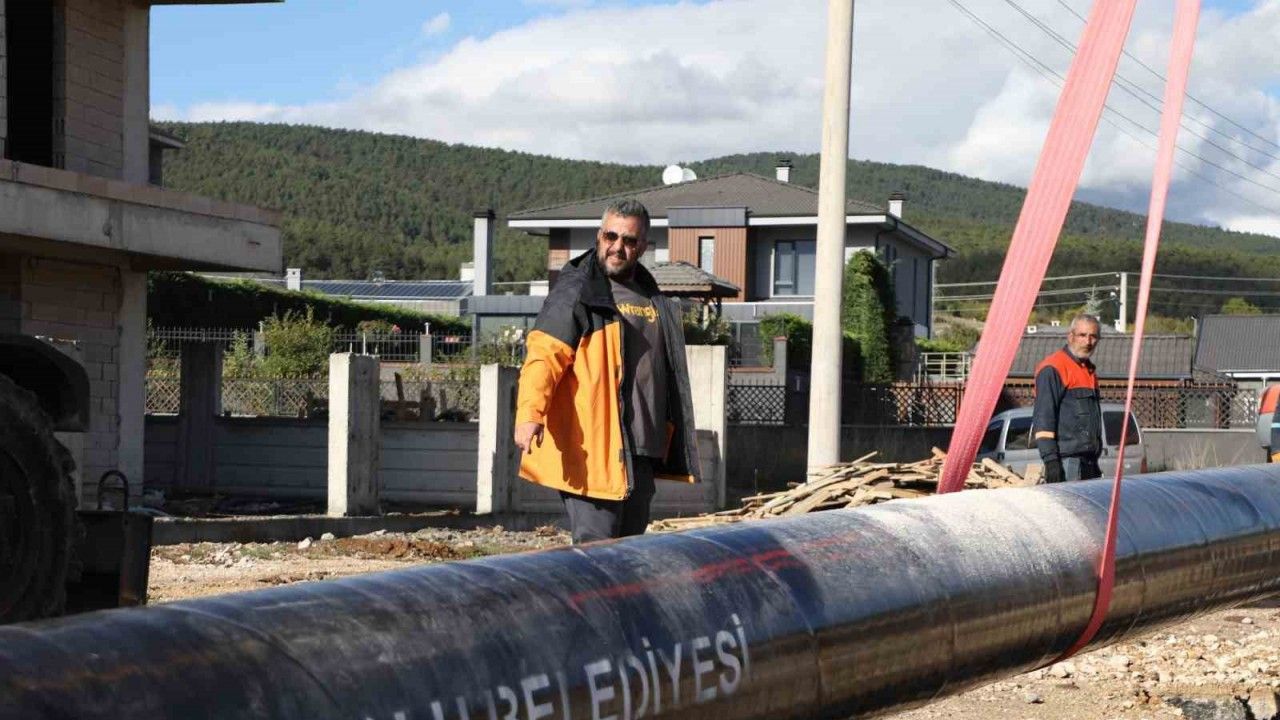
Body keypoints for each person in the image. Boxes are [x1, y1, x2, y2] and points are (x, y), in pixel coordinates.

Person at [513, 198, 700, 543]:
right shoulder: (580, 291)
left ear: (643, 246)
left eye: (629, 240)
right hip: (594, 449)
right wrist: (529, 413)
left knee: (626, 554)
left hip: (641, 451)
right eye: (611, 236)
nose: (617, 247)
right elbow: (544, 354)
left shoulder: (652, 297)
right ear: (599, 236)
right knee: (596, 551)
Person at [1033, 314, 1103, 483]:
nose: (1088, 342)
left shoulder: (1088, 371)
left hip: (1089, 462)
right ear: (1070, 336)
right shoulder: (1053, 368)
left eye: (1093, 336)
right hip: (1067, 462)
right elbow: (1044, 418)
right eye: (1082, 335)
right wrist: (1051, 461)